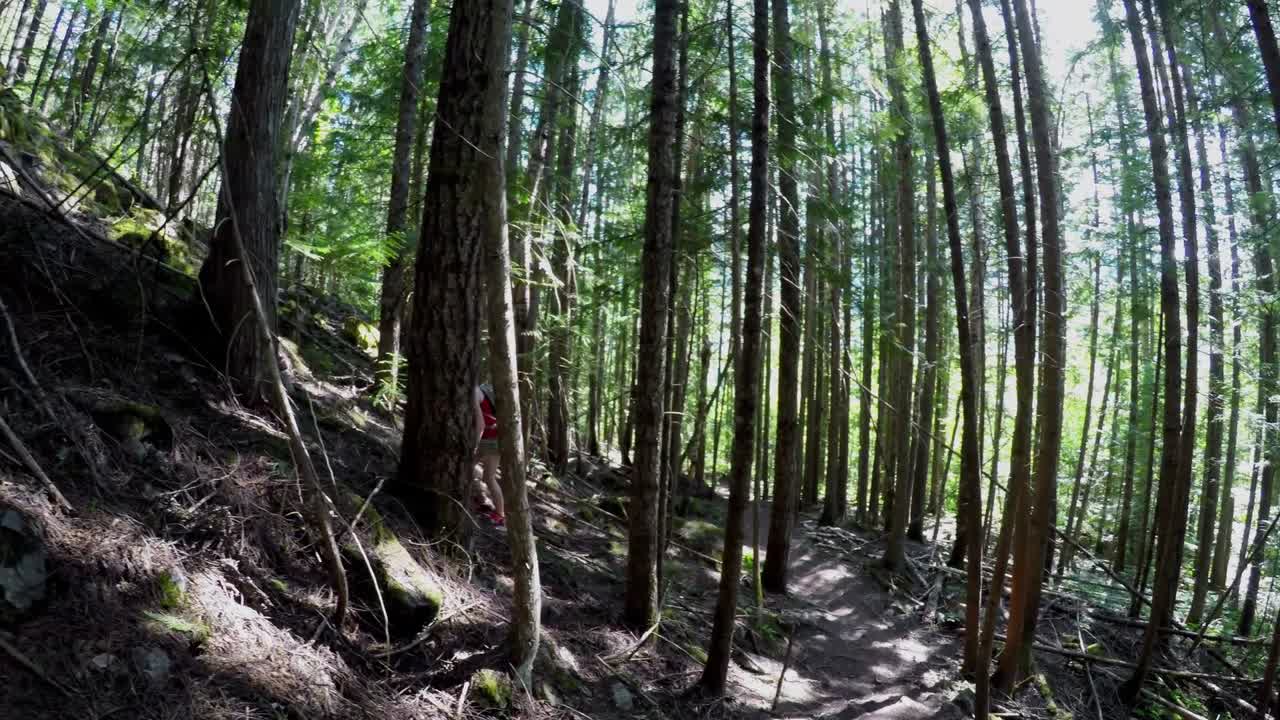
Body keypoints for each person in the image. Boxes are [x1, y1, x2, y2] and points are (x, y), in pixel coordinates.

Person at [475, 383, 505, 527]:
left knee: (489, 477)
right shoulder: (482, 390)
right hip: (491, 438)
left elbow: (480, 424)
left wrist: (474, 446)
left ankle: (500, 515)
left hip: (490, 440)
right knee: (467, 469)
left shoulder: (474, 393)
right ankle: (483, 501)